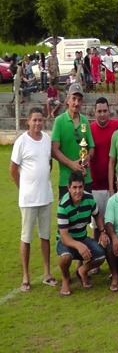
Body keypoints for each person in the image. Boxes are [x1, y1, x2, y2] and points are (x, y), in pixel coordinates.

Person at [10, 108, 57, 291]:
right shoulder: (21, 142)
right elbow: (13, 169)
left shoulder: (46, 139)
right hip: (28, 200)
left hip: (45, 197)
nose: (38, 123)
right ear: (28, 121)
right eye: (34, 120)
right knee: (26, 238)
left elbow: (49, 164)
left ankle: (47, 273)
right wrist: (23, 189)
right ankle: (26, 277)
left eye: (40, 120)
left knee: (45, 236)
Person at [56, 171, 109, 296]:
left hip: (83, 238)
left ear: (84, 187)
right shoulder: (63, 205)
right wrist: (79, 245)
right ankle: (65, 278)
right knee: (65, 257)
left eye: (80, 187)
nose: (78, 191)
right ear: (69, 188)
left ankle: (82, 270)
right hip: (65, 241)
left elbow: (98, 215)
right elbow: (64, 236)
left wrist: (102, 232)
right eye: (74, 187)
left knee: (101, 254)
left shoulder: (89, 198)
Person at [51, 83, 95, 198]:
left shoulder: (84, 121)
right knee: (66, 214)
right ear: (67, 100)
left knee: (86, 214)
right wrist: (72, 164)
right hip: (66, 181)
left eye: (79, 100)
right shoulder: (59, 121)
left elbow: (91, 147)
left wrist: (88, 158)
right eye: (74, 99)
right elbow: (54, 150)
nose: (76, 103)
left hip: (85, 179)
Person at [89, 97, 118, 242]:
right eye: (99, 111)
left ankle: (115, 258)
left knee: (113, 224)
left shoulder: (117, 126)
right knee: (96, 226)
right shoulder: (89, 129)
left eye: (105, 111)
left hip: (112, 186)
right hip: (95, 186)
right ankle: (95, 261)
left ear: (109, 112)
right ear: (94, 113)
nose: (102, 114)